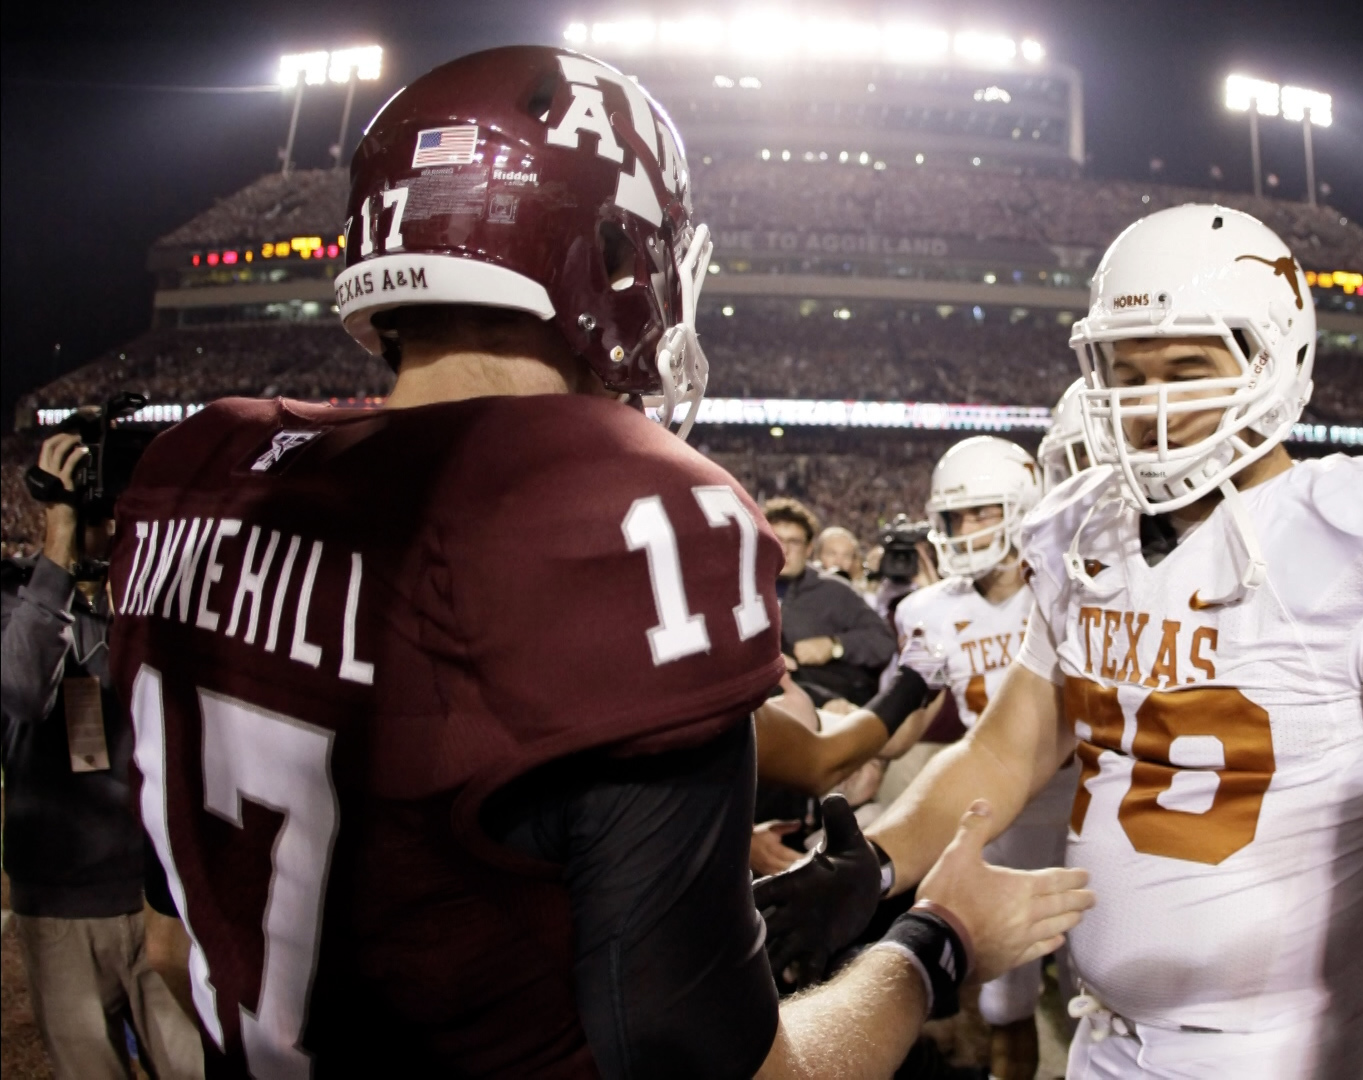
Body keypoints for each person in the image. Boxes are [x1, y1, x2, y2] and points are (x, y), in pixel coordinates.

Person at [109, 45, 1091, 1077]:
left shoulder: (197, 477)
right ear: (620, 257)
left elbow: (174, 950)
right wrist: (938, 941)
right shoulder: (617, 511)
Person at [770, 205, 1363, 1078]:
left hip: (1271, 1051)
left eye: (1187, 368)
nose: (1152, 402)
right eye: (1127, 372)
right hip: (1103, 1031)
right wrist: (879, 861)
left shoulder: (1361, 537)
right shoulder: (1086, 535)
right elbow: (1004, 753)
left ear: (1275, 359)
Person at [3, 428, 202, 1079]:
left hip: (156, 898)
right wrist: (58, 545)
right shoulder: (17, 596)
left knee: (196, 1067)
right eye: (97, 511)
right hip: (60, 905)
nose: (113, 522)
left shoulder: (147, 599)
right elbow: (23, 691)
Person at [893, 435, 1075, 1080]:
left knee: (1100, 993)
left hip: (1087, 811)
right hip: (1001, 817)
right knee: (1005, 1003)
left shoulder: (1067, 583)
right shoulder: (927, 610)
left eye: (982, 511)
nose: (966, 530)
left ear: (1023, 507)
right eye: (954, 517)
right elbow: (898, 729)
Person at [764, 497, 897, 707]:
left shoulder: (835, 591)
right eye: (776, 539)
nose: (784, 550)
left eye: (794, 542)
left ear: (809, 549)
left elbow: (882, 642)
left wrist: (835, 645)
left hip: (828, 711)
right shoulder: (739, 591)